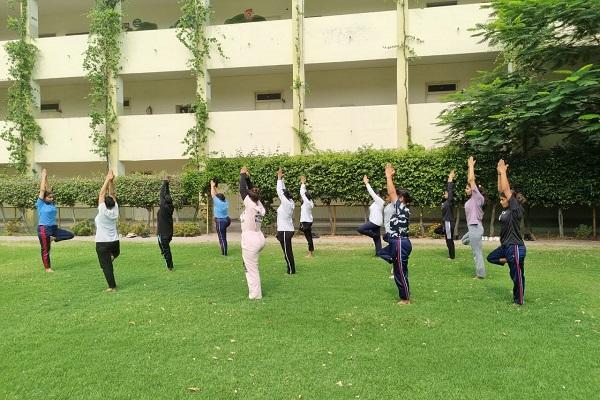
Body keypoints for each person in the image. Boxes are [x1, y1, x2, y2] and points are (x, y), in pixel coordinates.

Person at [487, 160, 526, 305]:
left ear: (511, 200)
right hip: (506, 247)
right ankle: (508, 260)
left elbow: (507, 190)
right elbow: (501, 189)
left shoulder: (515, 209)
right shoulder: (505, 210)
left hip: (515, 246)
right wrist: (498, 173)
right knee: (491, 258)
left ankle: (519, 301)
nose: (501, 200)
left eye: (503, 199)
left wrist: (504, 172)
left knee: (517, 276)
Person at [383, 163, 412, 305]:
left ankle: (405, 299)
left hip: (400, 242)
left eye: (397, 196)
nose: (393, 196)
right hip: (397, 241)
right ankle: (405, 296)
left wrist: (388, 177)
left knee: (400, 272)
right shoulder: (400, 209)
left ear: (402, 199)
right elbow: (392, 194)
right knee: (383, 254)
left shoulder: (402, 208)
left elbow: (391, 193)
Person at [36, 168, 75, 272]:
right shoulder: (40, 204)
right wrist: (43, 176)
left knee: (70, 235)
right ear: (44, 198)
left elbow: (48, 189)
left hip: (53, 228)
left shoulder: (52, 203)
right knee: (45, 249)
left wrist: (47, 177)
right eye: (49, 197)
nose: (52, 199)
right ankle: (47, 268)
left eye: (52, 197)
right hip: (44, 229)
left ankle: (53, 239)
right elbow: (43, 190)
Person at [239, 166, 266, 299]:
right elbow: (250, 191)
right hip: (258, 238)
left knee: (251, 269)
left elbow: (243, 191)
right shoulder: (259, 205)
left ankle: (255, 295)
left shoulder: (250, 206)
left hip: (251, 240)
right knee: (249, 267)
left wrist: (242, 175)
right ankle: (255, 292)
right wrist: (248, 178)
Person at [95, 170, 120, 292]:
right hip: (115, 243)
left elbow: (101, 194)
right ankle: (108, 260)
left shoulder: (102, 211)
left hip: (102, 243)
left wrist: (106, 179)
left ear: (104, 204)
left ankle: (112, 287)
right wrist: (111, 181)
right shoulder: (115, 210)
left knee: (106, 267)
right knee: (109, 260)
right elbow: (112, 193)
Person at [462, 156, 486, 279]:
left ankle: (480, 274)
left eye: (467, 188)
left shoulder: (478, 198)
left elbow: (471, 179)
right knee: (463, 241)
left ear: (474, 190)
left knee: (477, 252)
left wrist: (471, 166)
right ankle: (476, 242)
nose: (466, 189)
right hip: (472, 228)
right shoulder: (471, 200)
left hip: (475, 227)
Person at [356, 175, 384, 256]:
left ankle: (374, 235)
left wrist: (366, 183)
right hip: (374, 221)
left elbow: (371, 193)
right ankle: (379, 253)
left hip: (375, 222)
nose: (375, 195)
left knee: (360, 229)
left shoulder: (380, 201)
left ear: (378, 195)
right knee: (377, 240)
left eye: (376, 194)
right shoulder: (375, 203)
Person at [276, 168, 296, 274]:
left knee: (287, 252)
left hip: (284, 231)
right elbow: (283, 191)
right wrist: (282, 180)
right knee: (287, 251)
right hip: (286, 230)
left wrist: (279, 178)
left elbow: (280, 192)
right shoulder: (290, 201)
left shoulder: (286, 204)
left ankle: (291, 270)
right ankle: (290, 268)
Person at [157, 176, 174, 270]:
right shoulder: (171, 206)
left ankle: (170, 266)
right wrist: (167, 184)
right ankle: (164, 254)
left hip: (163, 233)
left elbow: (161, 194)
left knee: (166, 250)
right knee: (163, 247)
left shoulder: (163, 207)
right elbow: (166, 194)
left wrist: (164, 182)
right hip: (169, 233)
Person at [211, 179, 231, 256]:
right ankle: (224, 250)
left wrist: (211, 186)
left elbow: (213, 194)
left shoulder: (218, 202)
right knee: (223, 235)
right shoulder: (225, 201)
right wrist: (214, 187)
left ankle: (224, 253)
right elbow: (217, 194)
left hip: (220, 221)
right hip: (227, 220)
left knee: (222, 238)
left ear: (218, 199)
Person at [440, 170, 456, 259]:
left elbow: (450, 190)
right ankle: (450, 254)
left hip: (449, 223)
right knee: (447, 239)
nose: (444, 194)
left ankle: (452, 256)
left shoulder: (449, 202)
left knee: (449, 239)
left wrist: (450, 178)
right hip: (445, 223)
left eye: (446, 193)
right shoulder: (445, 203)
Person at [299, 176, 315, 257]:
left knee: (308, 237)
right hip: (307, 221)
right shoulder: (310, 202)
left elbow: (302, 193)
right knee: (308, 236)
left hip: (305, 221)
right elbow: (304, 194)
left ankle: (310, 252)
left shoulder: (307, 202)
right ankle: (310, 250)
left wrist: (302, 183)